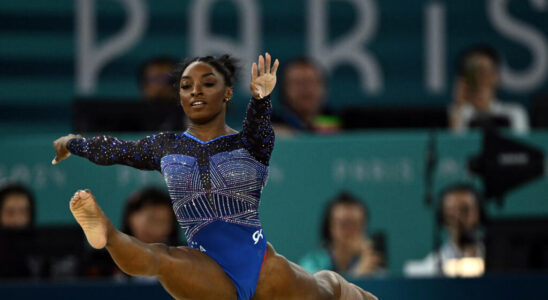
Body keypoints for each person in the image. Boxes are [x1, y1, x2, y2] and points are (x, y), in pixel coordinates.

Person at [52, 53, 377, 300]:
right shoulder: (166, 146)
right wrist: (75, 143)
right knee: (160, 258)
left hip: (263, 268)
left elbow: (258, 128)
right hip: (205, 263)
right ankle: (106, 233)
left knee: (327, 288)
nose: (196, 91)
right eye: (186, 86)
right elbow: (117, 150)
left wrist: (261, 99)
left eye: (208, 84)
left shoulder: (249, 143)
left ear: (226, 93)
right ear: (179, 96)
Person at [404, 183, 486, 277]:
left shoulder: (499, 262)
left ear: (479, 214)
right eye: (451, 212)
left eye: (465, 210)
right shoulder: (429, 269)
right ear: (442, 218)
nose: (459, 218)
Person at [299, 191, 384, 278]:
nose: (352, 232)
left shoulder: (370, 262)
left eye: (357, 225)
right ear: (330, 227)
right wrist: (359, 276)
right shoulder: (312, 263)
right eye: (345, 225)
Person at [448, 45, 529, 134]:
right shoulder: (456, 113)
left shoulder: (514, 113)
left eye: (483, 72)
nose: (478, 79)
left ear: (495, 76)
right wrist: (459, 106)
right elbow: (454, 145)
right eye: (472, 73)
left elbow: (521, 145)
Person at [273, 57, 341, 134]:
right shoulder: (268, 125)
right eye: (298, 83)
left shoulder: (343, 122)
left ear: (324, 88)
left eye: (311, 82)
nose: (306, 88)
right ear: (284, 89)